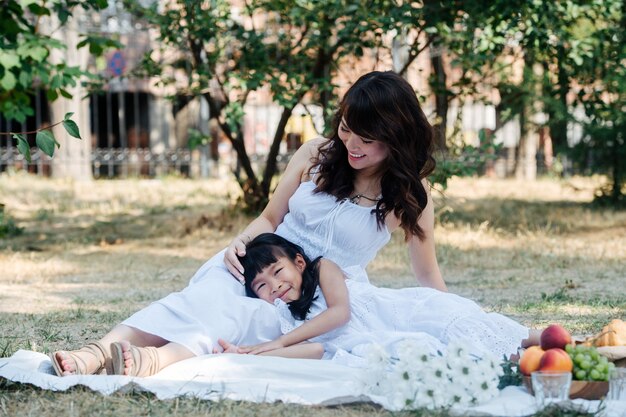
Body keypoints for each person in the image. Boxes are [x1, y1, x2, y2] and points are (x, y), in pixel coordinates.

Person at [51, 70, 447, 377]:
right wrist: (240, 242)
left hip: (316, 294)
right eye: (346, 128)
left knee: (244, 317)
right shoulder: (316, 154)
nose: (352, 145)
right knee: (204, 296)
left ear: (397, 136)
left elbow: (427, 274)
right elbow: (271, 217)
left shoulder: (410, 194)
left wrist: (453, 319)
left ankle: (152, 360)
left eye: (368, 139)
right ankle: (97, 353)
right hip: (262, 256)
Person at [214, 233, 531, 365]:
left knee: (486, 333)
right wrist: (251, 354)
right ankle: (547, 365)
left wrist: (282, 343)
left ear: (298, 262)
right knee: (489, 361)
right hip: (389, 340)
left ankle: (569, 344)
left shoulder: (324, 269)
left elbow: (340, 313)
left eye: (277, 271)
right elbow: (317, 349)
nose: (274, 286)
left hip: (406, 314)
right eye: (260, 286)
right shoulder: (291, 318)